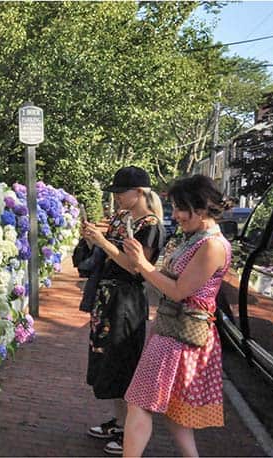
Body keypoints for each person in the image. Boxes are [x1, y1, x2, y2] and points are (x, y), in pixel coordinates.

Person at [121, 175, 231, 457]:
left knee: (140, 402)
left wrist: (142, 264)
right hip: (175, 331)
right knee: (174, 412)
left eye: (181, 208)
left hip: (180, 336)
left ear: (202, 207)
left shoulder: (212, 246)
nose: (176, 215)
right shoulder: (197, 239)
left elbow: (179, 290)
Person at [81, 166, 165, 455]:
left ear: (139, 192)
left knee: (123, 359)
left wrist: (103, 243)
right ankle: (119, 422)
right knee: (106, 359)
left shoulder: (150, 225)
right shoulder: (121, 218)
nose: (116, 197)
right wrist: (93, 240)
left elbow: (135, 267)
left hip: (127, 299)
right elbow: (107, 253)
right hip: (106, 296)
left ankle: (129, 426)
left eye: (120, 192)